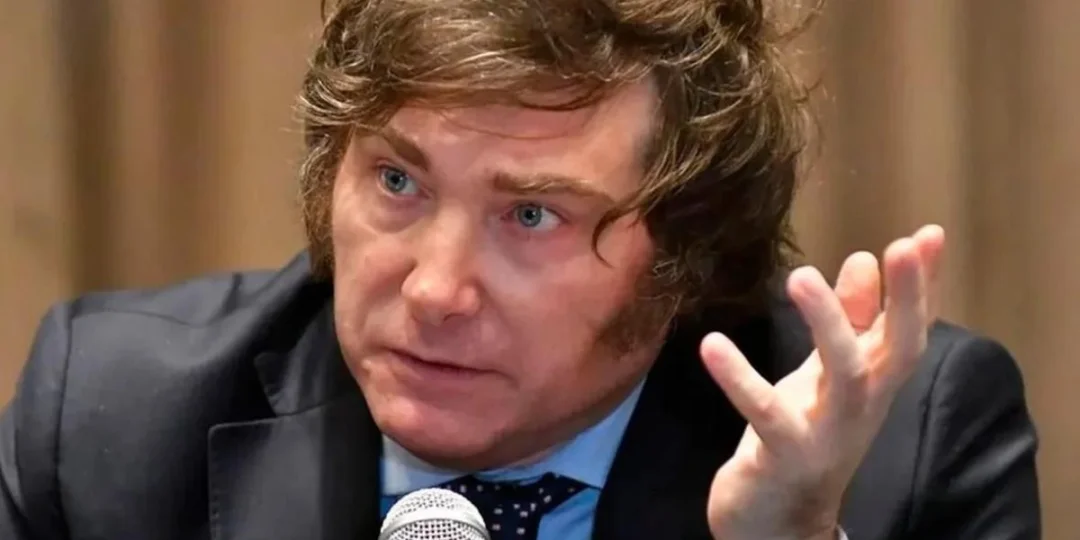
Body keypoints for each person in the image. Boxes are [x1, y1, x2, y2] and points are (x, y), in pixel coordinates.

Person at [1, 0, 1040, 539]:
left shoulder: (898, 452)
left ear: (687, 253)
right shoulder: (111, 423)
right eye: (398, 182)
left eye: (532, 215)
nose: (434, 291)